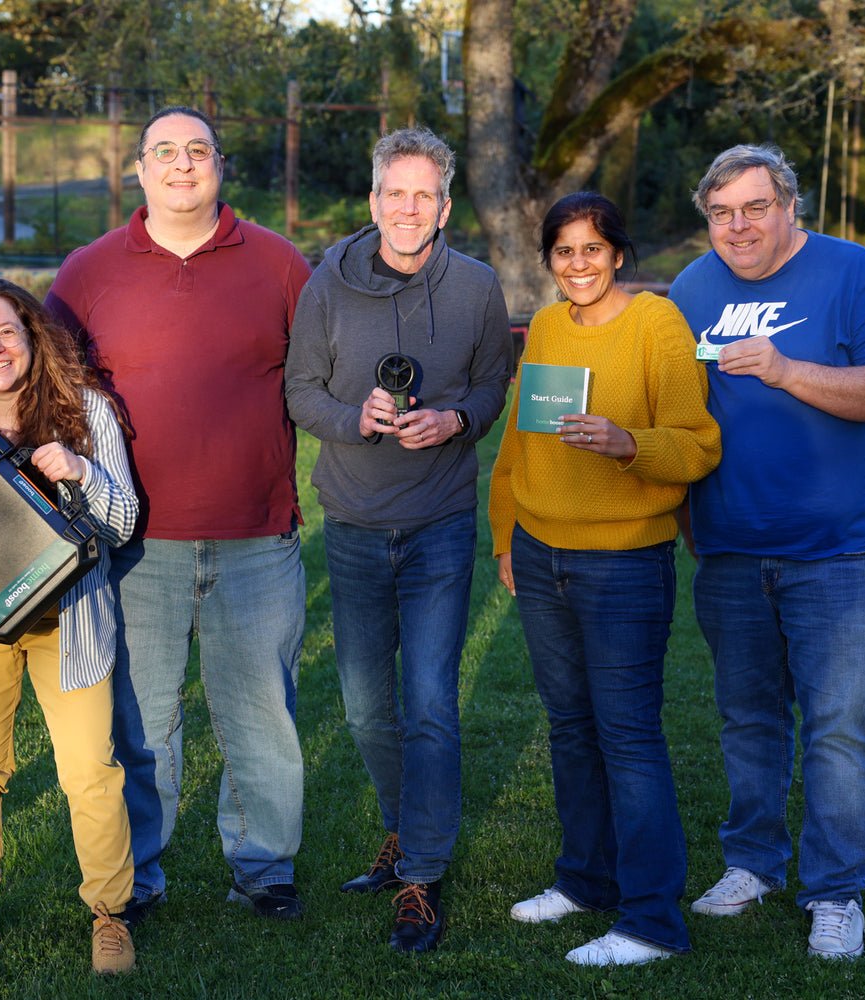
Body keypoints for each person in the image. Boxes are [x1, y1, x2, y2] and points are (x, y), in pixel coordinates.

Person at [44, 106, 311, 921]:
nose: (182, 165)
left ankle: (264, 867)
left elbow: (317, 381)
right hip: (132, 542)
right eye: (166, 152)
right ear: (139, 169)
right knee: (142, 722)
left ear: (219, 166)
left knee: (262, 715)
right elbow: (50, 392)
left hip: (256, 533)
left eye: (198, 151)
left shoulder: (279, 265)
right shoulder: (88, 272)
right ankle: (138, 876)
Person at [669, 144, 865, 960]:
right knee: (748, 719)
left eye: (753, 208)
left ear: (789, 209)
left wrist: (784, 369)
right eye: (720, 212)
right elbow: (676, 412)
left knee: (839, 724)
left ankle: (837, 891)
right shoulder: (692, 289)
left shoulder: (854, 274)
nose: (736, 226)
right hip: (732, 544)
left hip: (840, 549)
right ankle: (752, 863)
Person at [285, 125, 512, 952]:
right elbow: (300, 390)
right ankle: (400, 827)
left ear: (444, 206)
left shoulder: (478, 287)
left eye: (425, 195)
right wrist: (358, 419)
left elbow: (493, 383)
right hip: (351, 520)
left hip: (440, 524)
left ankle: (420, 872)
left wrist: (456, 418)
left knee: (428, 703)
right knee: (364, 706)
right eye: (395, 193)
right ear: (374, 200)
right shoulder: (326, 286)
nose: (408, 208)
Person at [489, 192, 721, 966]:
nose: (578, 264)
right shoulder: (549, 326)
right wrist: (505, 537)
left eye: (592, 249)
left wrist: (628, 444)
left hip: (624, 562)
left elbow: (697, 445)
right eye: (563, 251)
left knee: (627, 737)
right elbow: (519, 447)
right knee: (570, 729)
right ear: (548, 259)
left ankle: (652, 920)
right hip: (543, 553)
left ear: (617, 253)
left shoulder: (657, 326)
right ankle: (586, 880)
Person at [0, 279, 139, 974]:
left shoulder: (86, 412)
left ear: (31, 335)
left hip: (68, 620)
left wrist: (80, 471)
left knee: (90, 772)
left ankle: (110, 917)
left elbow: (125, 522)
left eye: (6, 331)